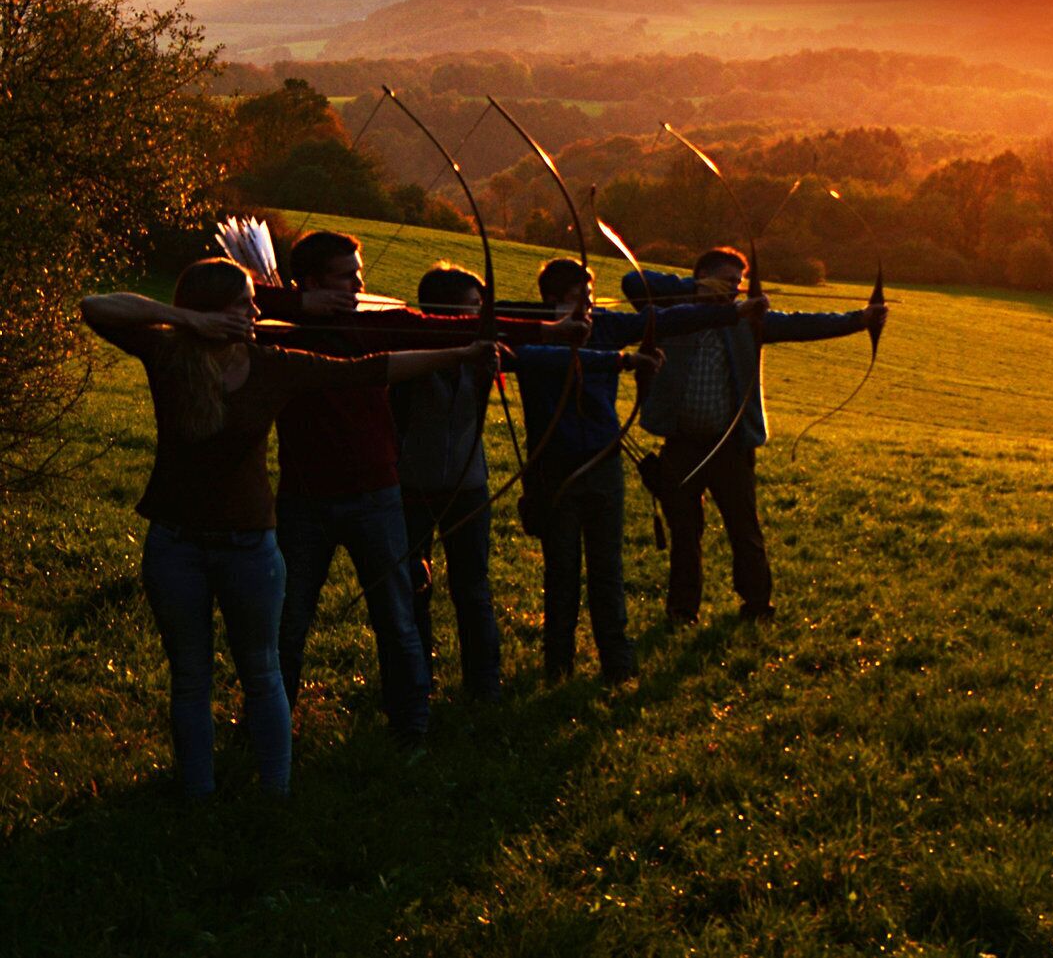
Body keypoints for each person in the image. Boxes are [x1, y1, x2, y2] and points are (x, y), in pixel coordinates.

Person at [80, 259, 498, 798]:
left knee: (263, 671)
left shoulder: (271, 363)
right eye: (243, 303)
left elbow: (370, 368)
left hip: (250, 543)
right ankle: (196, 796)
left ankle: (275, 793)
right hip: (175, 542)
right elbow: (96, 307)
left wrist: (460, 353)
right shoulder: (168, 352)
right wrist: (184, 319)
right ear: (212, 310)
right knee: (189, 676)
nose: (255, 311)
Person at [256, 230, 574, 746]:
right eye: (346, 276)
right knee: (289, 622)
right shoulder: (277, 327)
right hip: (304, 499)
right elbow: (215, 300)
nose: (360, 284)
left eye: (359, 273)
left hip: (379, 493)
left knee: (398, 619)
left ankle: (411, 726)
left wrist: (556, 328)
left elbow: (463, 325)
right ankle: (268, 728)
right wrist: (297, 303)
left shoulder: (378, 326)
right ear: (313, 282)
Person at [507, 257, 750, 681]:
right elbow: (545, 359)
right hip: (554, 469)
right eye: (578, 297)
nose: (589, 303)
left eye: (590, 294)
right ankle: (557, 667)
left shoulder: (603, 325)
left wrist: (733, 310)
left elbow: (668, 318)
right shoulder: (529, 333)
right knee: (561, 570)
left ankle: (617, 665)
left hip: (603, 462)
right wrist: (619, 361)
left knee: (608, 568)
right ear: (551, 301)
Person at [628, 247, 884, 624]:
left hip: (730, 446)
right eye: (729, 281)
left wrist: (861, 319)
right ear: (705, 278)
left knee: (744, 530)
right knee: (684, 533)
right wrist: (698, 292)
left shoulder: (748, 321)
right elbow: (632, 281)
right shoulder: (672, 314)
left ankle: (757, 606)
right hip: (681, 445)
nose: (737, 289)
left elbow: (803, 325)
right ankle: (682, 612)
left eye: (739, 283)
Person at [389, 265, 504, 703]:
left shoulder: (484, 352)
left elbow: (544, 350)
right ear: (444, 311)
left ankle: (484, 683)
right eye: (472, 307)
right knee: (414, 586)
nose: (480, 314)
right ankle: (417, 681)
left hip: (467, 484)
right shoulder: (409, 351)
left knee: (472, 586)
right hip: (410, 485)